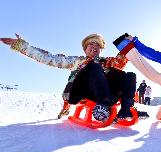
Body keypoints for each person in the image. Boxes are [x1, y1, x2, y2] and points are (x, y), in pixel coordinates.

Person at [0, 33, 149, 122]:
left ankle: (126, 110)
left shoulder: (107, 61)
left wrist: (130, 43)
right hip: (79, 92)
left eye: (97, 45)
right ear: (85, 49)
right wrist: (21, 46)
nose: (94, 46)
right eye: (91, 44)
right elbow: (49, 58)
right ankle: (103, 105)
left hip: (103, 93)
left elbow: (122, 59)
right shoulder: (77, 61)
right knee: (93, 66)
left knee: (128, 75)